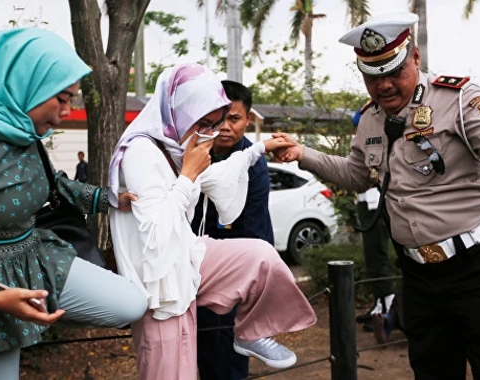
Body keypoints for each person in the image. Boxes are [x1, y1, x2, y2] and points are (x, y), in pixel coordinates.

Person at [273, 12, 480, 380]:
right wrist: (302, 154)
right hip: (418, 272)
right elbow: (357, 175)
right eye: (372, 75)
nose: (383, 85)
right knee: (431, 370)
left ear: (415, 58)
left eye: (393, 72)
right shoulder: (370, 118)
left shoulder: (459, 98)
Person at [0, 28, 148, 380]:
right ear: (26, 83)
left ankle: (33, 322)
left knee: (131, 303)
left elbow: (54, 186)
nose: (68, 111)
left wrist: (107, 199)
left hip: (32, 259)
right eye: (62, 99)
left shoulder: (23, 132)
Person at [108, 63, 317, 380]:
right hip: (158, 286)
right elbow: (156, 235)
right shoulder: (141, 151)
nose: (210, 133)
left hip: (185, 262)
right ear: (177, 111)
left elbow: (220, 175)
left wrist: (260, 148)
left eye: (214, 123)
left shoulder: (176, 148)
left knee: (261, 258)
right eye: (203, 123)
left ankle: (250, 331)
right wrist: (188, 175)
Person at [190, 80, 273, 380]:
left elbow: (251, 235)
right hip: (188, 275)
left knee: (226, 362)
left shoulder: (253, 165)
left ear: (247, 120)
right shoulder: (195, 152)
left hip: (229, 276)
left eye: (234, 119)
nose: (225, 127)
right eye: (219, 118)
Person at [352, 108, 396, 335]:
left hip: (376, 202)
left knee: (378, 255)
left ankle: (388, 308)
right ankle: (380, 303)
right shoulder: (361, 142)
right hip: (365, 202)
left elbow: (374, 174)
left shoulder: (379, 142)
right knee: (372, 257)